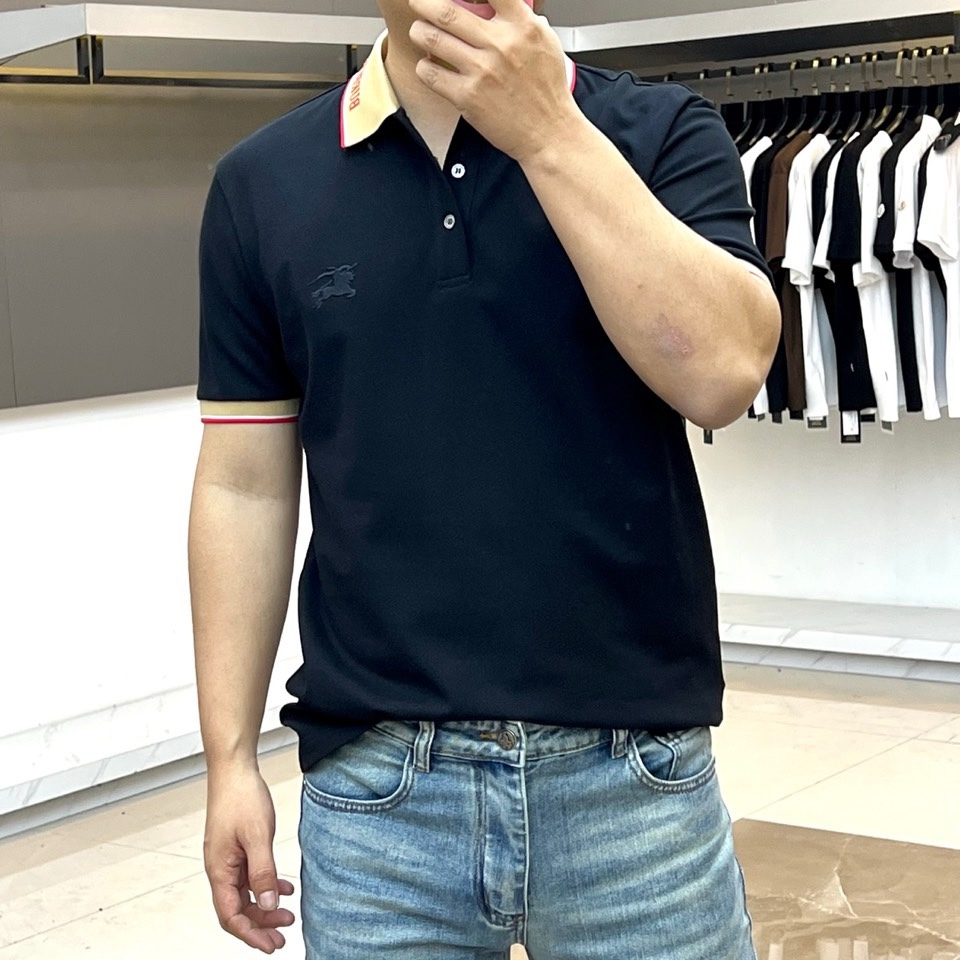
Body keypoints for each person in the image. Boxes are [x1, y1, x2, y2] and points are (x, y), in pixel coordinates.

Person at [188, 0, 781, 956]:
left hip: (634, 784)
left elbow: (722, 377)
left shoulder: (662, 131)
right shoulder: (262, 182)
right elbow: (243, 484)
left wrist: (547, 132)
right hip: (378, 796)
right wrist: (228, 760)